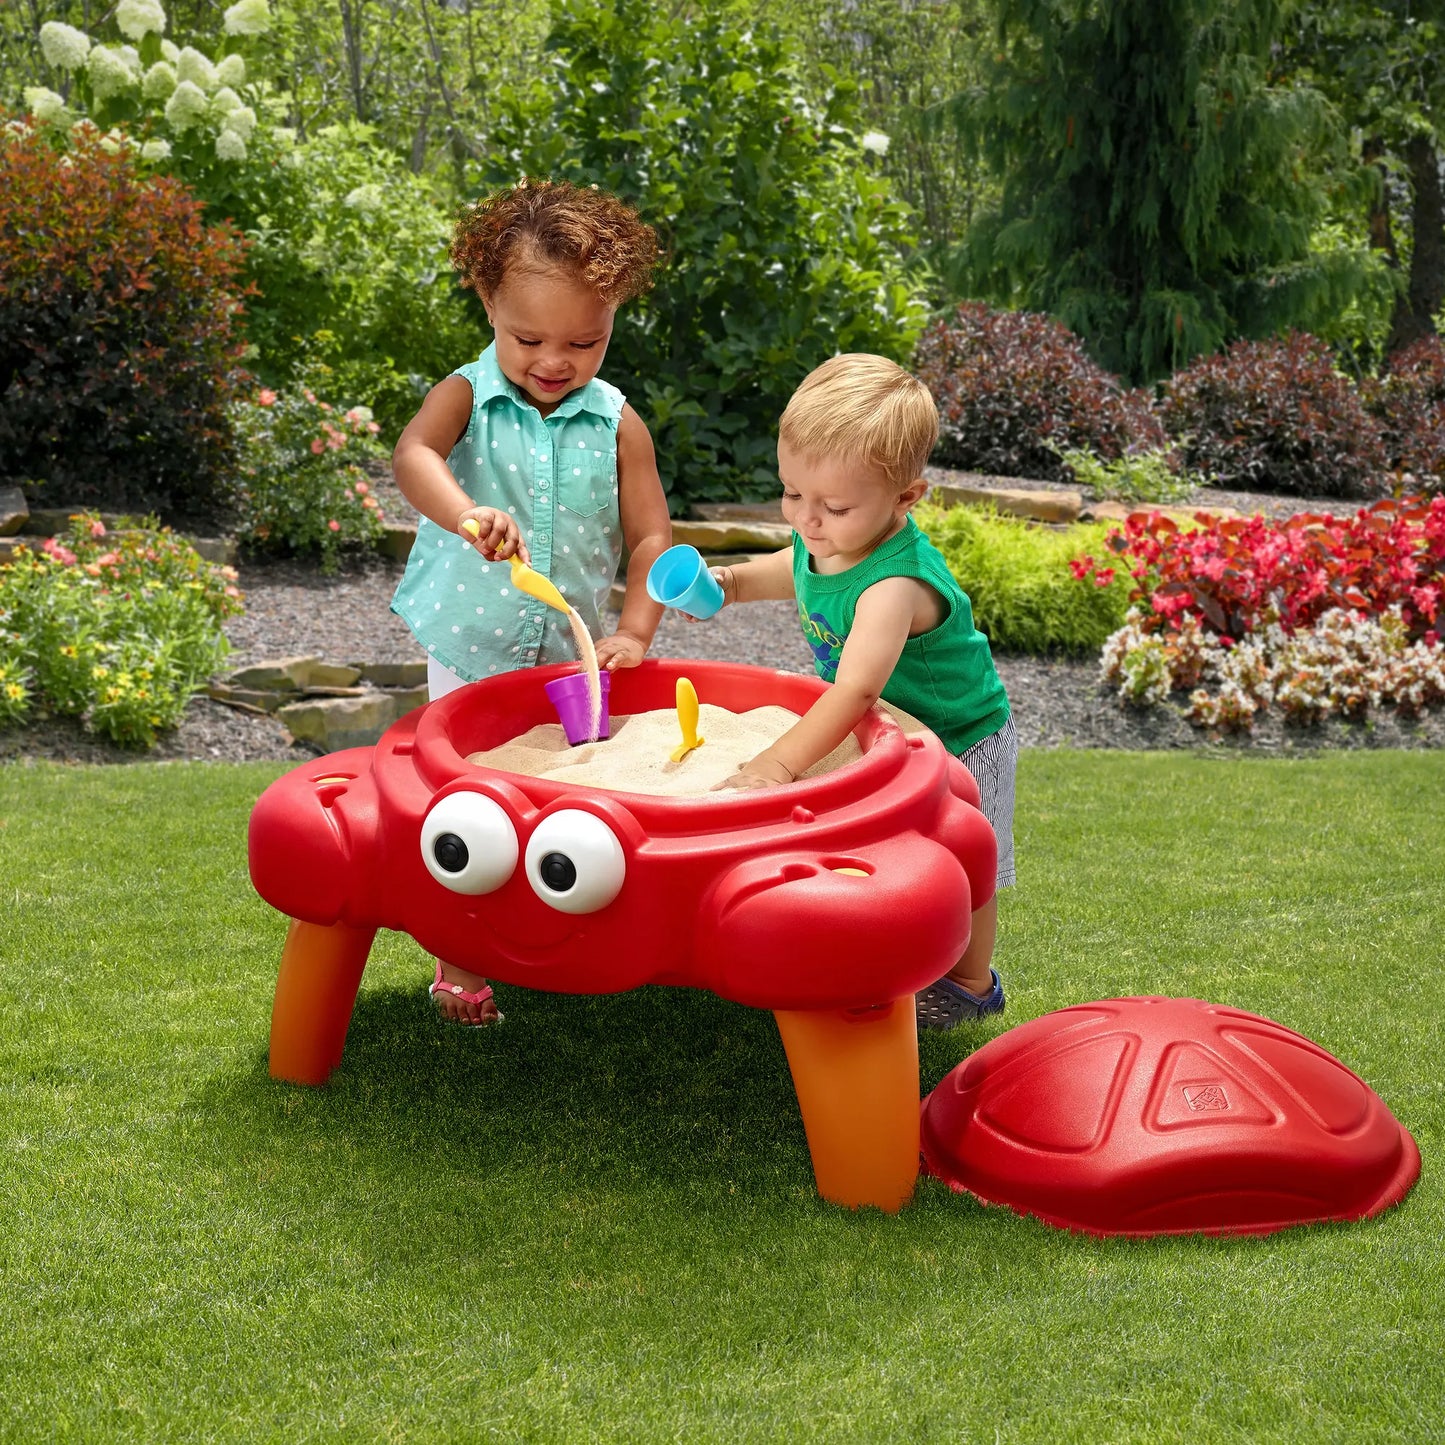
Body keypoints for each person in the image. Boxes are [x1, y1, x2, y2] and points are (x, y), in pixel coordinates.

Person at [391, 177, 672, 1026]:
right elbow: (413, 456)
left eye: (585, 341)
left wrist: (636, 628)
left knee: (566, 794)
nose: (555, 360)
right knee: (469, 799)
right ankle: (460, 962)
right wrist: (465, 513)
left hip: (568, 652)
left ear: (613, 317)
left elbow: (651, 537)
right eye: (528, 338)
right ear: (488, 303)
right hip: (470, 641)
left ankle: (561, 940)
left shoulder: (617, 422)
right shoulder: (467, 395)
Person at [709, 353, 1016, 1030]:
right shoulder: (828, 537)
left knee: (968, 855)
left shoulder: (893, 583)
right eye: (792, 493)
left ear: (905, 498)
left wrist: (776, 763)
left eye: (834, 506)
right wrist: (730, 584)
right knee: (888, 846)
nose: (807, 519)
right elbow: (794, 567)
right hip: (891, 732)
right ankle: (881, 943)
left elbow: (853, 690)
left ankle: (971, 984)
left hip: (961, 736)